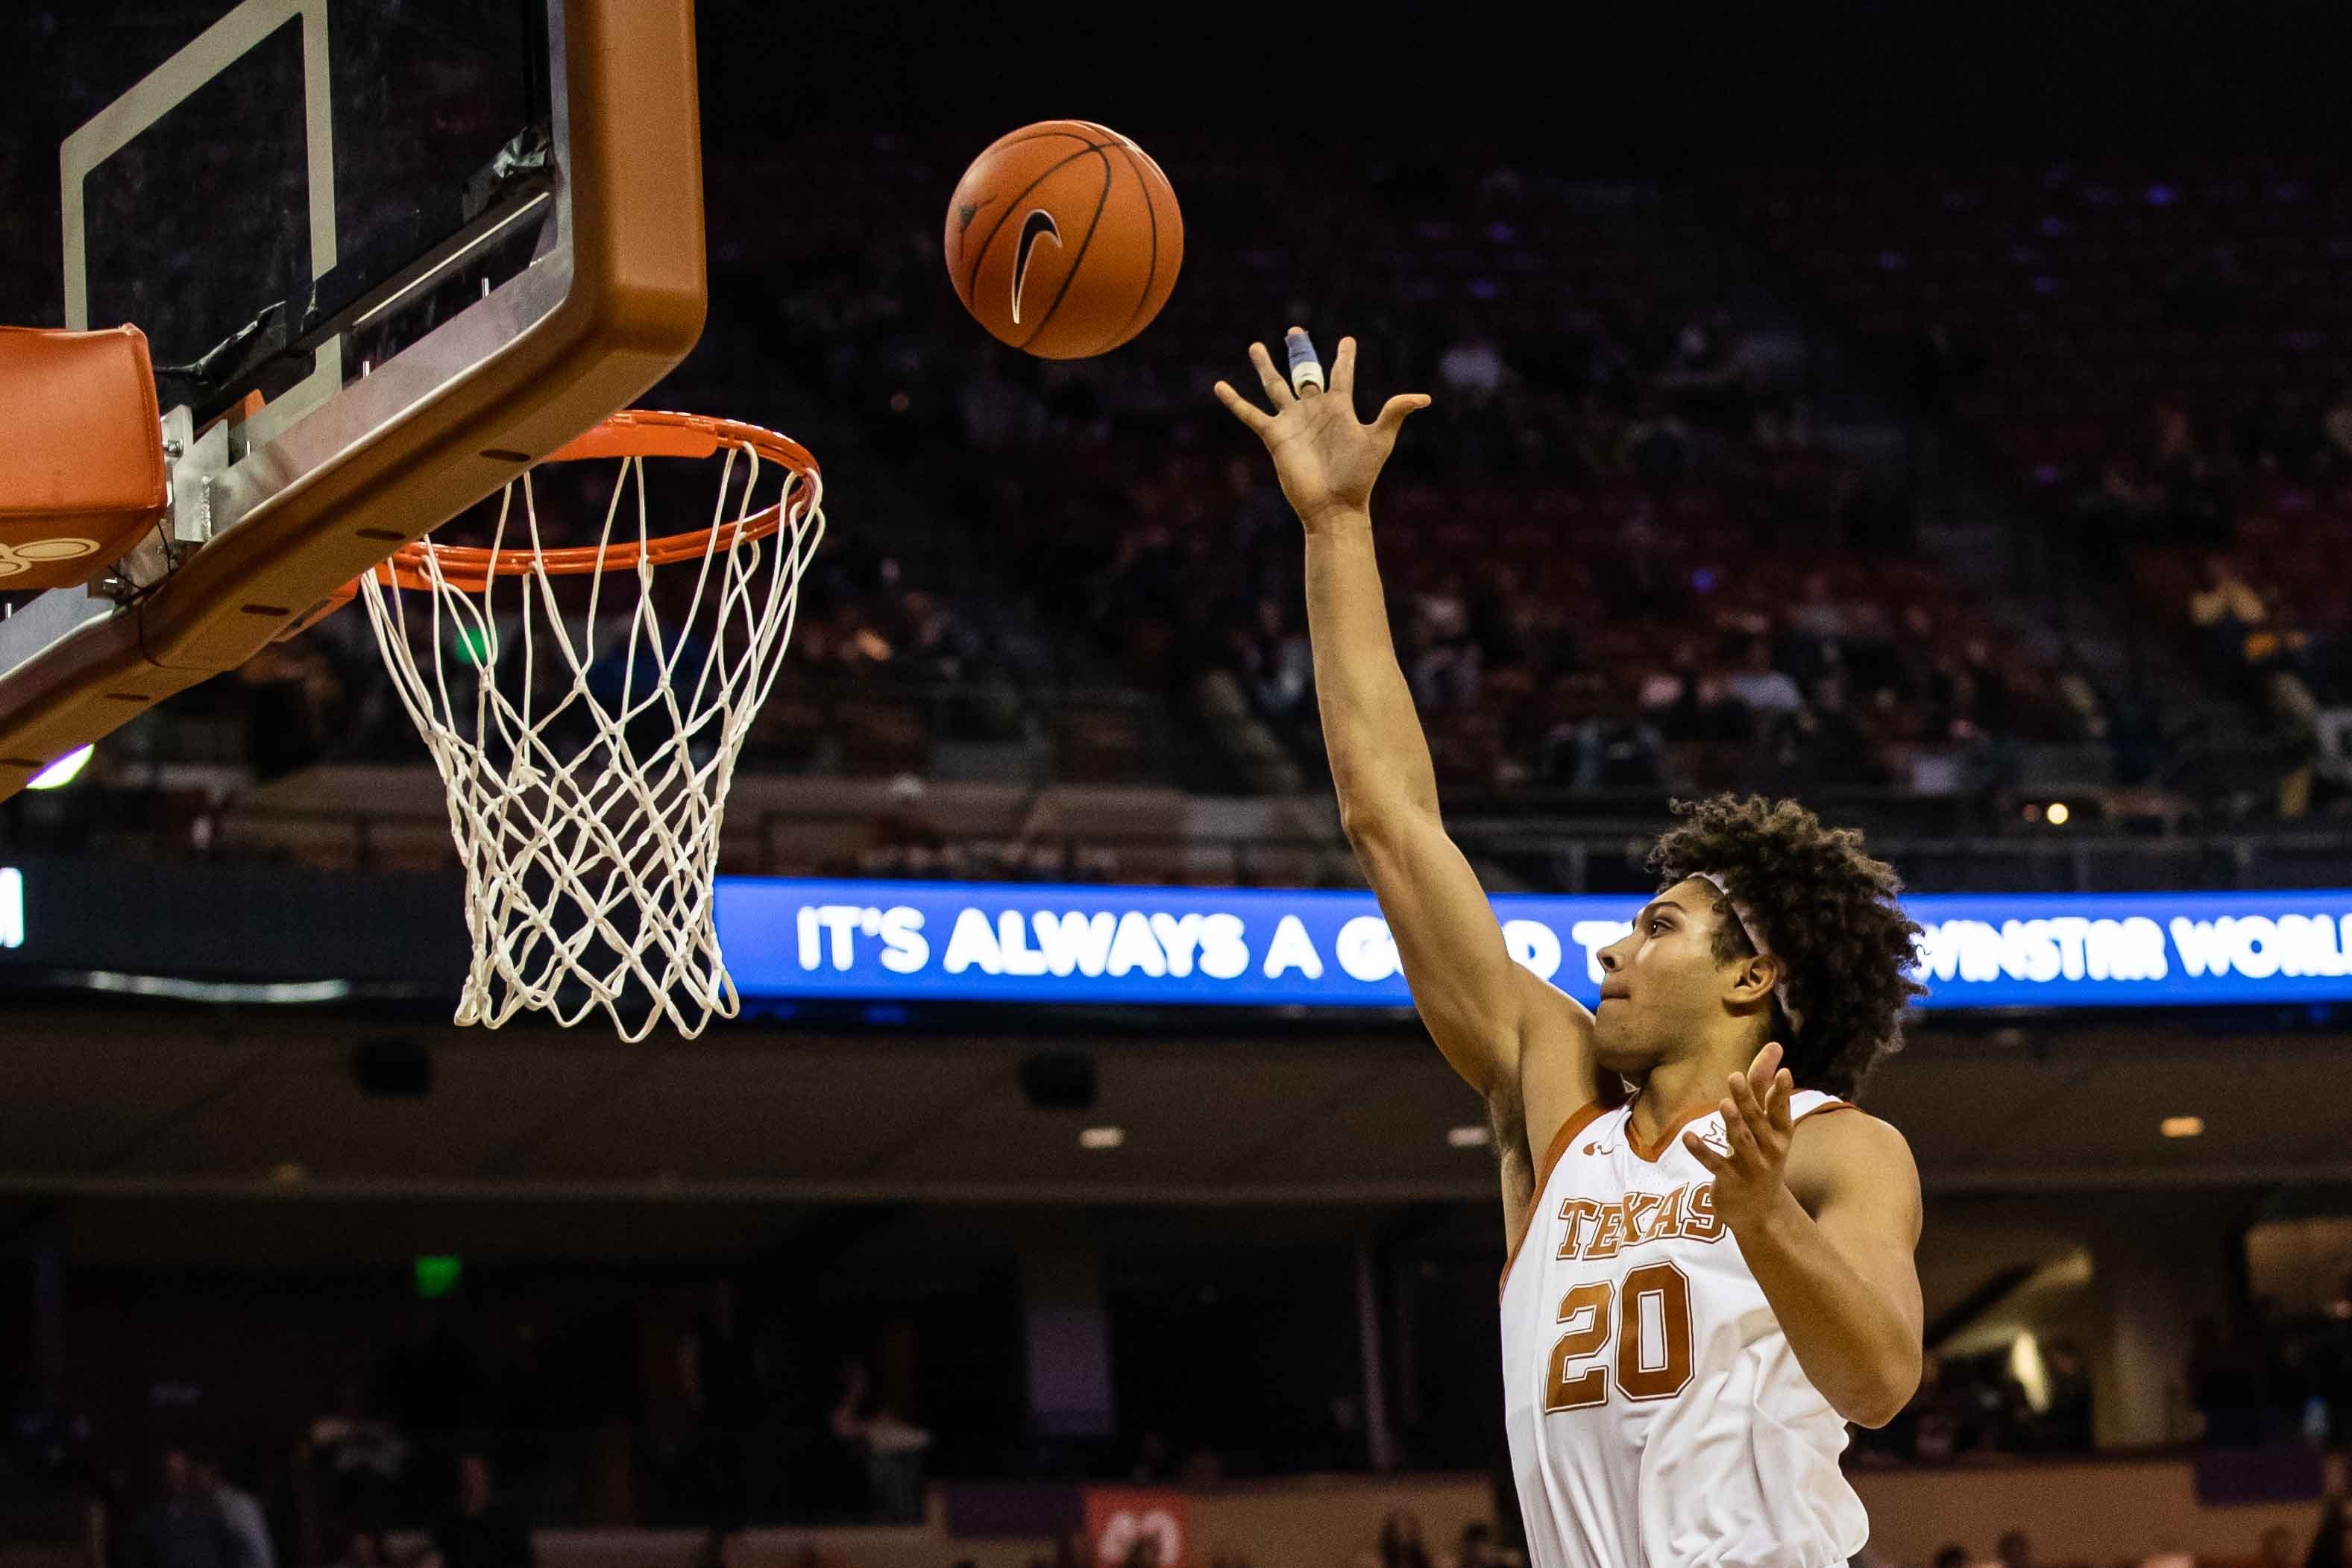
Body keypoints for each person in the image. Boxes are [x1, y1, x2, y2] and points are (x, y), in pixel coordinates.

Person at [1216, 330, 1926, 1568]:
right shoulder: (1553, 1102)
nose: (1612, 946)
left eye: (1660, 924)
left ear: (1754, 975)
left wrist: (1760, 1217)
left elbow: (1875, 1380)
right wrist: (1334, 526)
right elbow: (1389, 821)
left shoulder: (1837, 1147)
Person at [132, 1450, 248, 1568]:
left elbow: (229, 1556)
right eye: (171, 1473)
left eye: (179, 1473)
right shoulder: (150, 1521)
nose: (176, 1479)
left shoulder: (209, 1514)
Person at [427, 1454, 531, 1568]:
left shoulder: (508, 1521)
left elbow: (524, 1559)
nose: (471, 1483)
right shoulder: (449, 1522)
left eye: (477, 1476)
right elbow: (438, 1556)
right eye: (467, 1476)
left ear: (487, 1479)